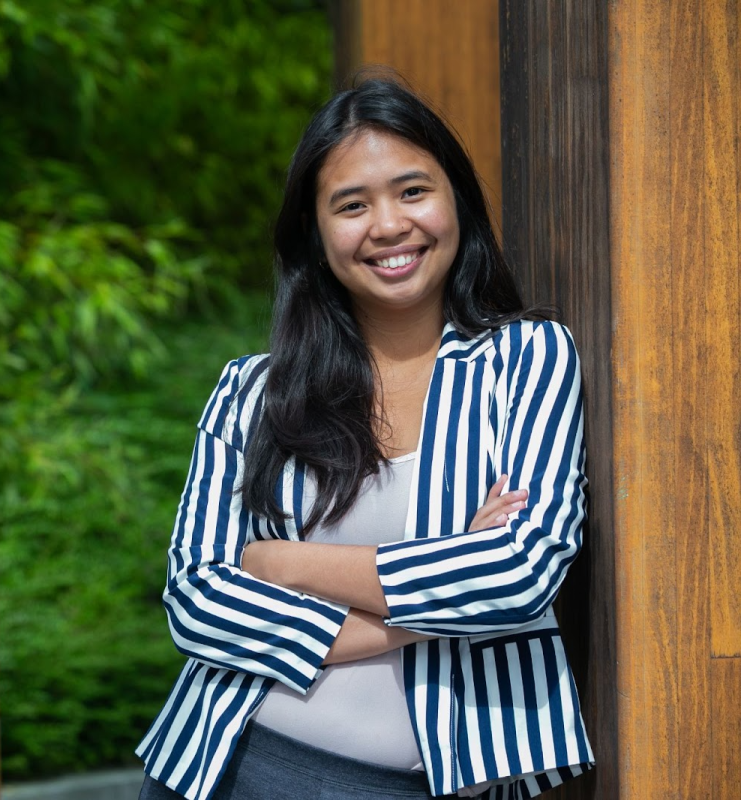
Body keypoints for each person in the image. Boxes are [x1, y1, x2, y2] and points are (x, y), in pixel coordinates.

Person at [135, 77, 594, 800]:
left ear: (458, 204)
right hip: (239, 765)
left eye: (413, 191)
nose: (387, 225)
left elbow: (519, 574)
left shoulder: (527, 359)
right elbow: (197, 598)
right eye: (352, 205)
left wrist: (285, 561)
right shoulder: (253, 391)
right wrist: (432, 605)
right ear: (316, 238)